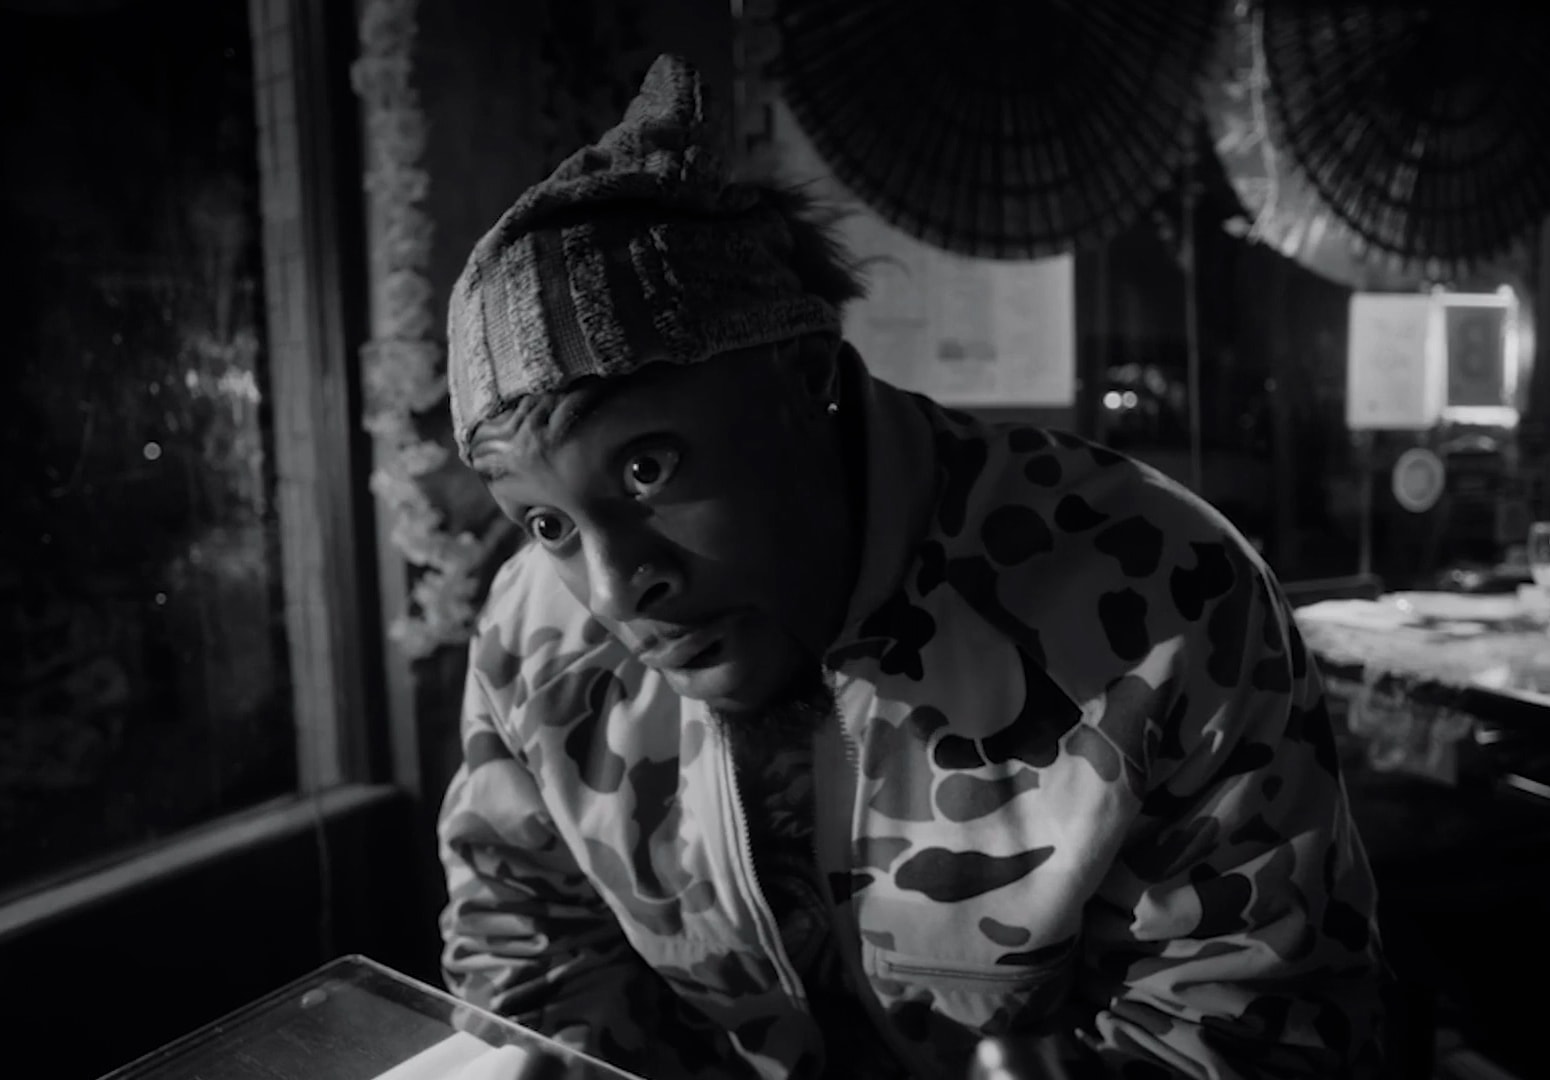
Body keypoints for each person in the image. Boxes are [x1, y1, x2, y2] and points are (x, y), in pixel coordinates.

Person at [437, 53, 1384, 1080]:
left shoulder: (1161, 589)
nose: (616, 589)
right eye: (546, 522)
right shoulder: (533, 634)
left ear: (805, 379)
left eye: (647, 468)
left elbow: (1254, 1023)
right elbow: (532, 954)